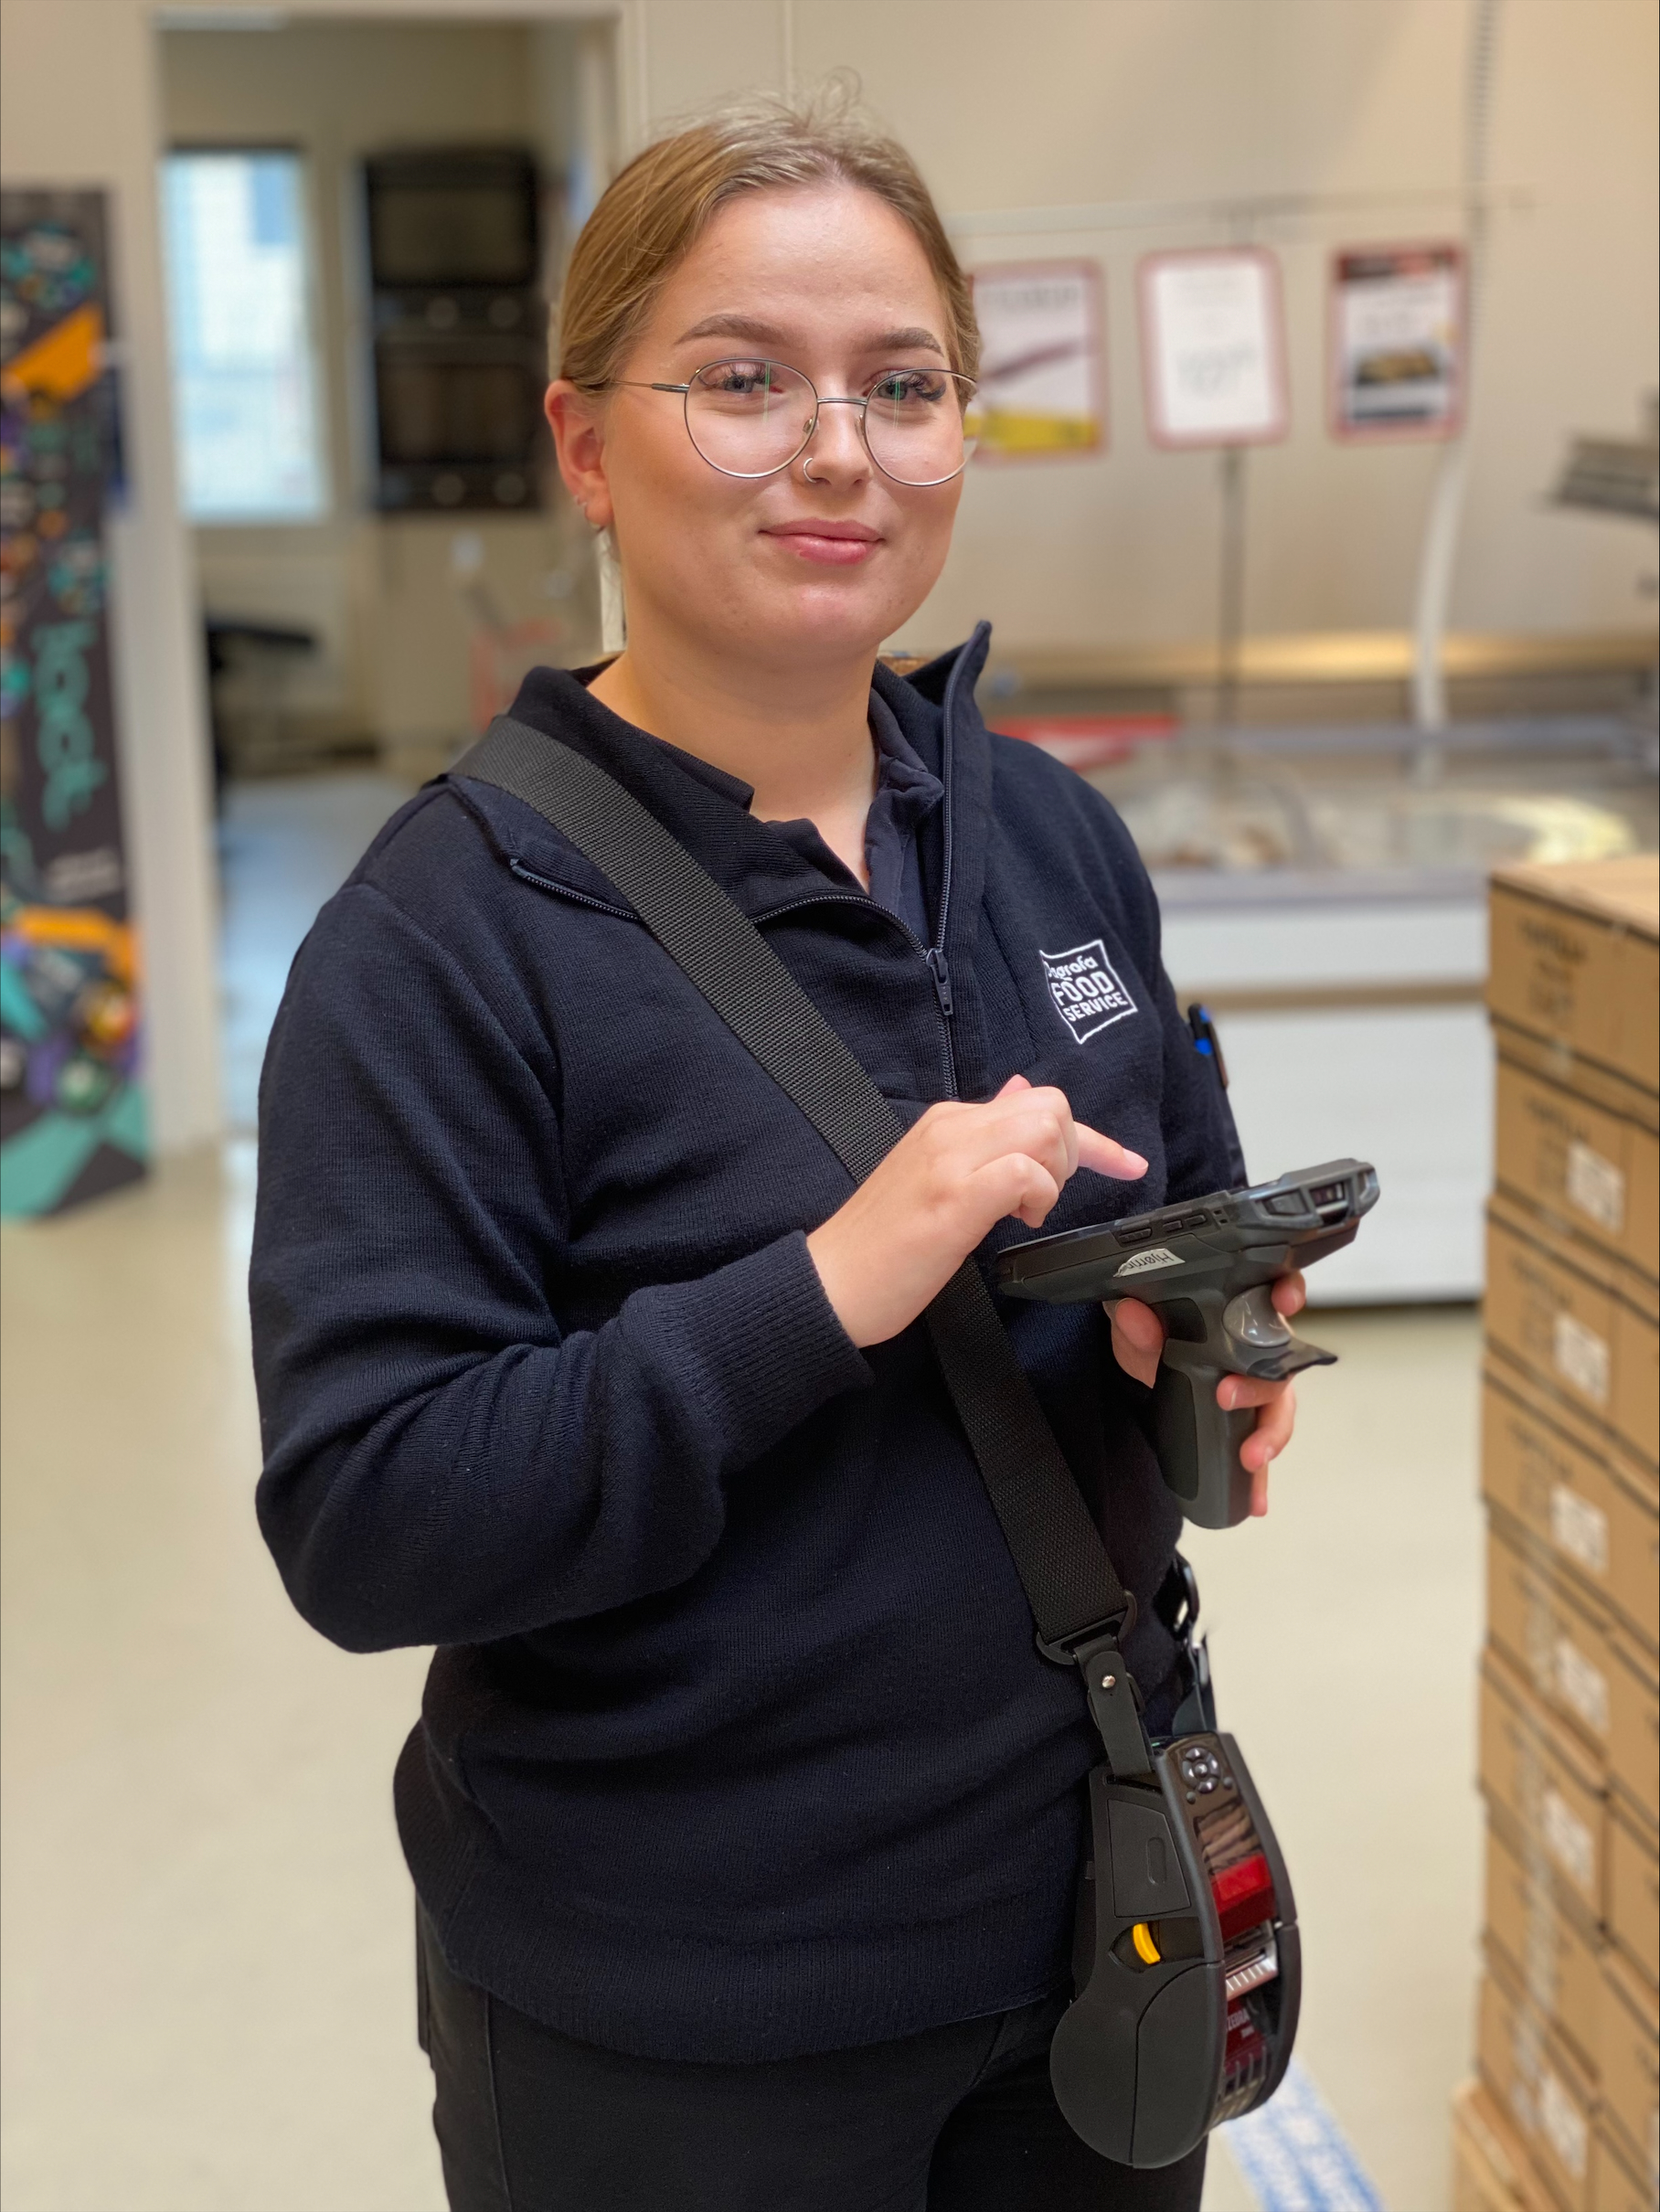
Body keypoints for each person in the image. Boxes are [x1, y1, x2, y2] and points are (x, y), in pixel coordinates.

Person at [250, 87, 1304, 2212]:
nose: (838, 449)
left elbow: (1177, 1189)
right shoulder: (443, 939)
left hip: (1091, 1915)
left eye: (899, 386)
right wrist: (823, 1287)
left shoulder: (1049, 833)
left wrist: (1211, 1334)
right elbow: (370, 1521)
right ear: (582, 444)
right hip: (680, 2013)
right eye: (741, 381)